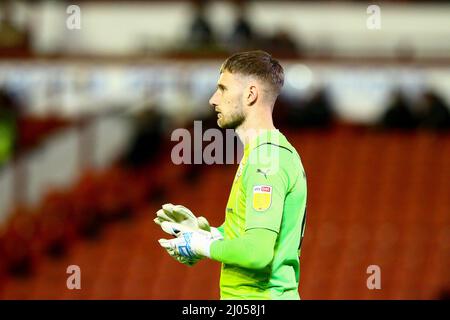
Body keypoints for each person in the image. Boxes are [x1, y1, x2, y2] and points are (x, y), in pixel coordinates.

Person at [155, 51, 307, 300]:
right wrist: (207, 234)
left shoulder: (266, 160)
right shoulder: (264, 153)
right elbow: (251, 237)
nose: (213, 100)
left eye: (223, 89)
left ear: (250, 94)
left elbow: (257, 252)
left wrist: (200, 246)